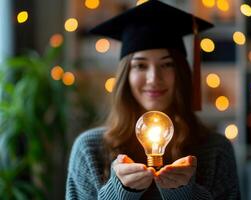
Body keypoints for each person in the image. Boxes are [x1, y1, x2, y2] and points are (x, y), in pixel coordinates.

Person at [66, 1, 241, 199]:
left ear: (181, 73)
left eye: (167, 65)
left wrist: (184, 194)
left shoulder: (216, 150)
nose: (154, 79)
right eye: (140, 66)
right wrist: (120, 193)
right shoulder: (90, 150)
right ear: (126, 76)